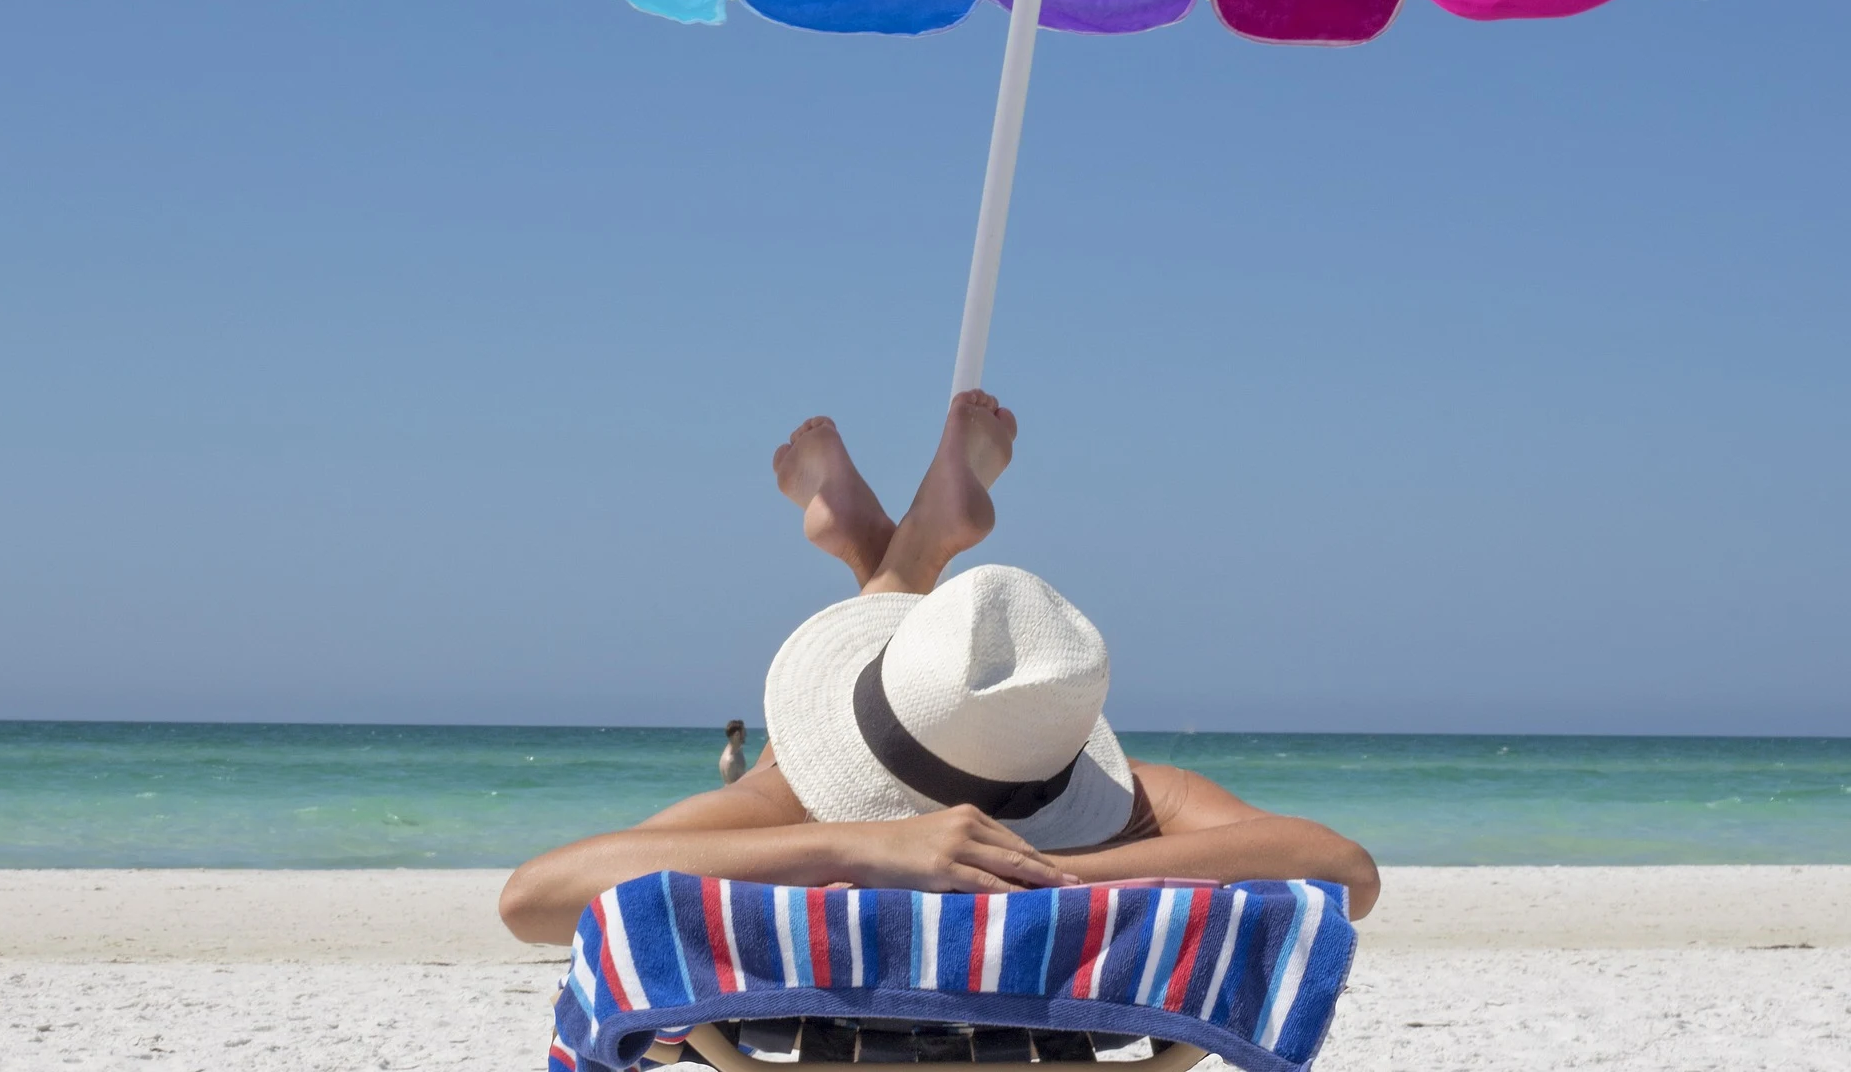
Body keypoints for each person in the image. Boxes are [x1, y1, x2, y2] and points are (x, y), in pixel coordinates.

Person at [501, 391, 1379, 946]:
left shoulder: (792, 798)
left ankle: (905, 555)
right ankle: (903, 548)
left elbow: (534, 897)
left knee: (788, 751)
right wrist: (1059, 871)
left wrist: (864, 847)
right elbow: (1345, 867)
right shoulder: (1140, 808)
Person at [719, 719, 748, 785]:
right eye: (744, 732)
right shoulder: (731, 761)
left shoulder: (738, 750)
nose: (746, 735)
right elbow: (732, 787)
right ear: (737, 735)